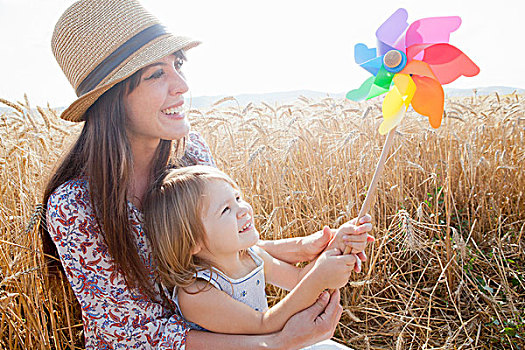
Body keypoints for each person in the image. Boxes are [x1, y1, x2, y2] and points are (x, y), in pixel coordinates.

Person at [40, 0, 374, 348]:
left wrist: (306, 248)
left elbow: (214, 247)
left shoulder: (190, 152)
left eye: (178, 64)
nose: (181, 84)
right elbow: (133, 333)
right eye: (156, 73)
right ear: (110, 98)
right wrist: (273, 343)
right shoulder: (75, 207)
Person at [142, 165, 371, 338]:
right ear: (192, 241)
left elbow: (299, 279)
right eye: (226, 210)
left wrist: (340, 243)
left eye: (238, 198)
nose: (243, 209)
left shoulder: (252, 256)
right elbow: (263, 325)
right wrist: (320, 275)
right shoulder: (196, 292)